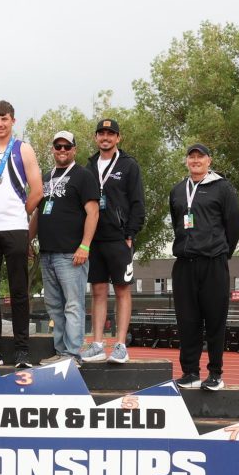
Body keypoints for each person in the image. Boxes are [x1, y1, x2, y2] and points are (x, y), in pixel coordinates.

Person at [0, 101, 42, 368]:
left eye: (4, 119)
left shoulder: (23, 149)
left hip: (15, 228)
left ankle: (22, 350)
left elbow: (37, 191)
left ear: (13, 121)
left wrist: (18, 214)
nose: (0, 124)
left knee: (18, 291)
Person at [170, 144, 239, 392]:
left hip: (213, 263)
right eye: (191, 157)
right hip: (184, 265)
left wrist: (221, 252)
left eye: (200, 157)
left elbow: (235, 223)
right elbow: (177, 223)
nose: (195, 160)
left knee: (214, 321)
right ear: (186, 161)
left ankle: (215, 374)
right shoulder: (178, 190)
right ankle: (190, 372)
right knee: (187, 322)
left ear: (209, 161)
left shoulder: (223, 187)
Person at [28, 132, 99, 364]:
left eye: (66, 146)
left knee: (73, 304)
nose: (62, 150)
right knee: (54, 306)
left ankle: (72, 353)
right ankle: (61, 352)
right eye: (58, 146)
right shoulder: (46, 177)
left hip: (71, 254)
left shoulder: (83, 176)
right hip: (47, 253)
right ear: (52, 149)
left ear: (74, 149)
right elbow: (38, 213)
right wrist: (27, 240)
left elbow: (93, 212)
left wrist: (85, 246)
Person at [80, 118, 145, 364]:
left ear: (118, 138)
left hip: (119, 238)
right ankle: (97, 344)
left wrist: (130, 233)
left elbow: (138, 202)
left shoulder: (129, 165)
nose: (105, 137)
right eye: (101, 133)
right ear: (96, 137)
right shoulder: (88, 166)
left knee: (121, 290)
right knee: (97, 291)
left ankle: (120, 345)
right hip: (95, 239)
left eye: (110, 133)